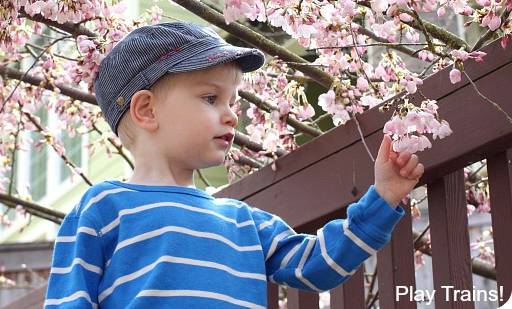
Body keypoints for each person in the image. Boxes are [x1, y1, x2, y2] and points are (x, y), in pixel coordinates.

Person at [45, 22, 424, 308]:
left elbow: (318, 265)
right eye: (211, 98)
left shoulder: (245, 223)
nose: (230, 117)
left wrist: (384, 197)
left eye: (233, 103)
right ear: (146, 109)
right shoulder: (103, 209)